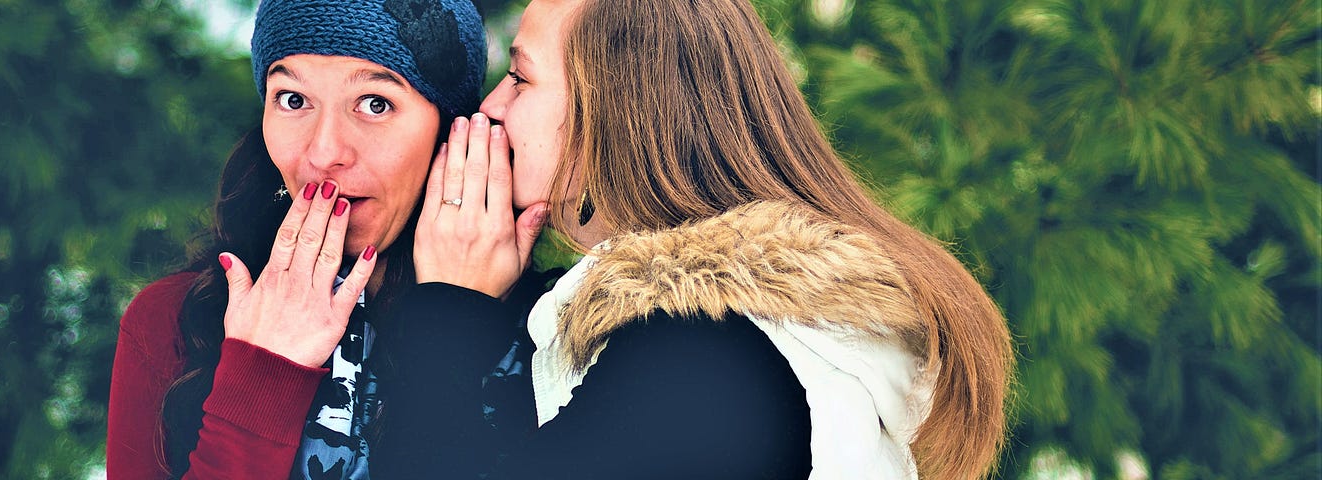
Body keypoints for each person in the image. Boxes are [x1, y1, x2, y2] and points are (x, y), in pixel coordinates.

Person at [376, 0, 1015, 478]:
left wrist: (449, 310)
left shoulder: (701, 364)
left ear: (612, 112)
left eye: (521, 78)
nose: (491, 107)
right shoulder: (740, 339)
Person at [104, 0, 497, 478]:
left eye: (376, 103)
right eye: (293, 99)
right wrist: (261, 380)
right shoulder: (172, 322)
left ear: (451, 130)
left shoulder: (545, 326)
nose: (325, 151)